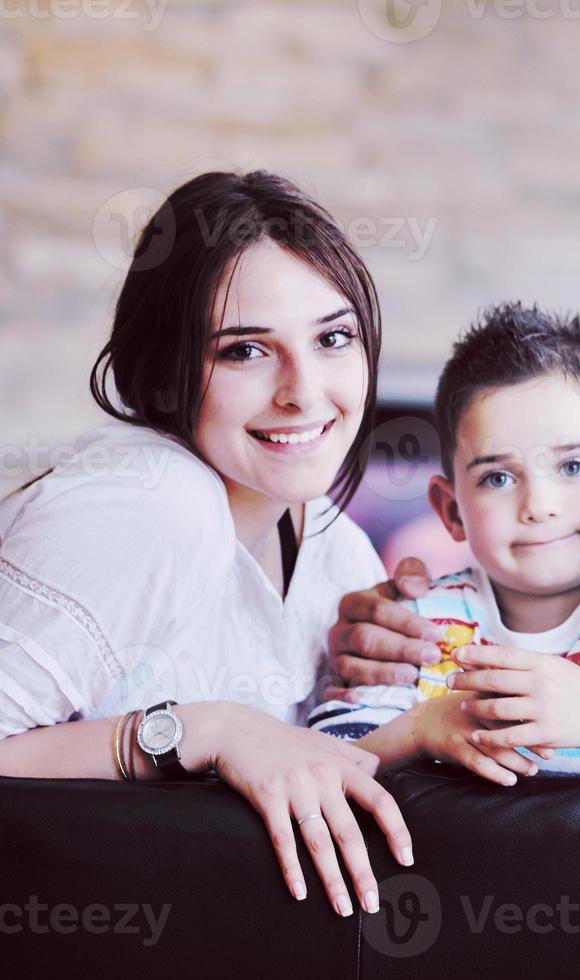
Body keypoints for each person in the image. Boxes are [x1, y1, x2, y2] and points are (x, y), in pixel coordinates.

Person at [0, 171, 412, 919]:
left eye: (333, 337)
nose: (305, 390)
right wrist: (203, 728)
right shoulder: (156, 504)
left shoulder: (333, 546)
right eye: (245, 352)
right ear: (162, 376)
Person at [308, 304, 580, 778]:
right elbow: (325, 767)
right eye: (498, 478)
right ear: (451, 510)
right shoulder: (414, 628)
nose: (538, 505)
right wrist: (422, 727)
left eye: (574, 466)